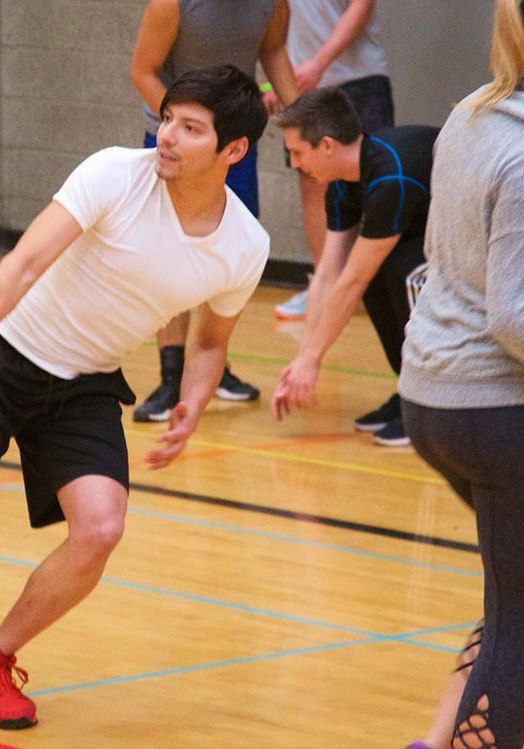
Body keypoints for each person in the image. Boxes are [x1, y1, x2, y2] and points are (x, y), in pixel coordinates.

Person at [0, 64, 271, 730]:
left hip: (86, 383)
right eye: (168, 118)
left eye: (191, 128)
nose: (168, 136)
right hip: (3, 359)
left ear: (233, 150)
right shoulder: (115, 174)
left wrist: (193, 404)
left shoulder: (243, 245)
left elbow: (210, 343)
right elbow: (24, 263)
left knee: (100, 529)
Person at [398, 0, 524, 747]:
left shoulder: (474, 110)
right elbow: (521, 316)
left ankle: (434, 741)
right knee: (520, 624)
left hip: (434, 397)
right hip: (503, 410)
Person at [128, 0, 298, 421]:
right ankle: (171, 377)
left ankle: (215, 367)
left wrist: (301, 118)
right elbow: (142, 71)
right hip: (179, 147)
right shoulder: (173, 5)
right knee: (171, 252)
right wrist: (185, 128)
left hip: (232, 146)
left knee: (227, 247)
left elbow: (273, 52)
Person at [269, 87, 438, 446]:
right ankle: (407, 389)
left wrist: (314, 358)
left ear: (327, 145)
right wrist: (302, 359)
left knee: (402, 273)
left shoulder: (389, 177)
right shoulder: (342, 182)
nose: (295, 163)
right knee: (378, 271)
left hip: (473, 234)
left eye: (297, 152)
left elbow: (352, 280)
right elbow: (328, 275)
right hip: (420, 224)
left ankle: (426, 403)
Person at [266, 0, 395, 322]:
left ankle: (387, 285)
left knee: (376, 180)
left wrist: (319, 62)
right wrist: (278, 79)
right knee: (311, 184)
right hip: (302, 84)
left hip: (358, 78)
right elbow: (277, 23)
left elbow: (361, 6)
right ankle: (323, 289)